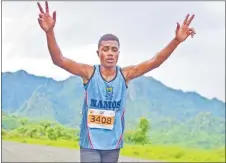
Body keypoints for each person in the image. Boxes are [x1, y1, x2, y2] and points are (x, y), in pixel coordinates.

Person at [37, 1, 196, 162]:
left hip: (113, 146)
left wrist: (176, 41)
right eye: (105, 49)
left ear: (119, 53)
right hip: (89, 145)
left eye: (114, 50)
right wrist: (49, 32)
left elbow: (155, 61)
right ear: (98, 52)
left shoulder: (125, 75)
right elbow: (59, 60)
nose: (110, 53)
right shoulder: (89, 73)